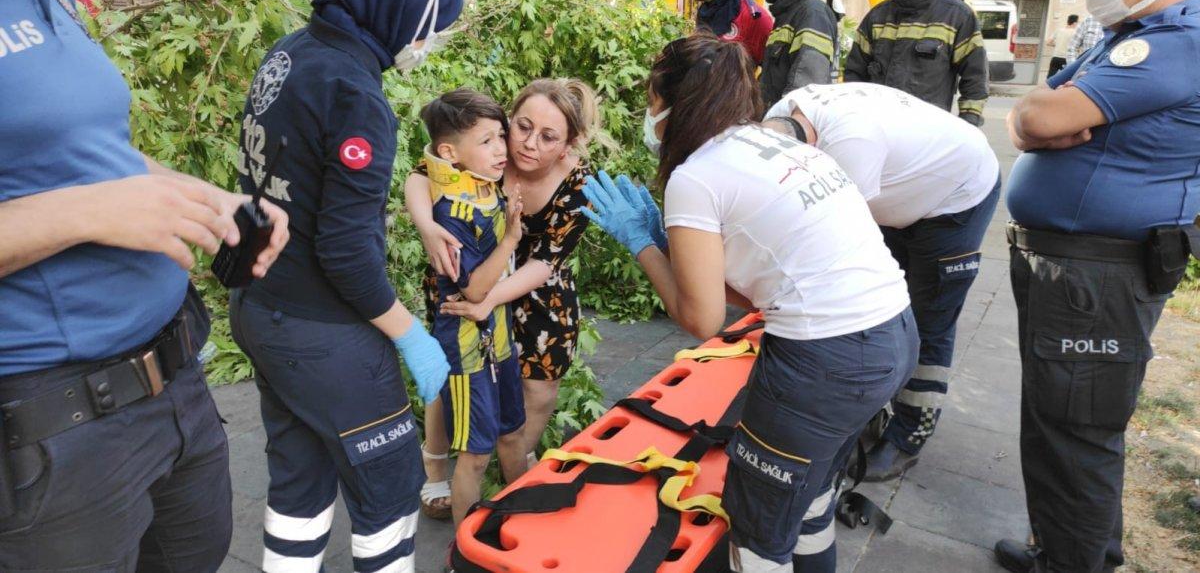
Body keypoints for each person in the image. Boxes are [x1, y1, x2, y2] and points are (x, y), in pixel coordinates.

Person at [0, 0, 290, 570]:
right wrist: (86, 213)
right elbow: (89, 194)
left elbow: (91, 153)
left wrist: (206, 201)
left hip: (173, 384)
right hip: (55, 425)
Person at [582, 34, 918, 572]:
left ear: (674, 103)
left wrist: (642, 243)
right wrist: (672, 248)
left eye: (650, 100)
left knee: (758, 533)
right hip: (893, 335)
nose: (649, 115)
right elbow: (760, 280)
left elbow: (702, 319)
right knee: (808, 500)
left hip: (826, 362)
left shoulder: (696, 177)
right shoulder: (779, 146)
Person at [227, 0, 461, 573]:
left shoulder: (290, 52)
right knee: (387, 495)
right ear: (402, 3)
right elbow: (346, 253)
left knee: (299, 483)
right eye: (431, 21)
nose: (427, 40)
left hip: (260, 305)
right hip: (325, 329)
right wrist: (409, 333)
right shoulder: (357, 95)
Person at [993, 0, 1200, 571]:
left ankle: (1071, 562)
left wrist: (1040, 120)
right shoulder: (1123, 35)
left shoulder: (1175, 44)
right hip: (1077, 269)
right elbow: (1031, 113)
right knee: (1059, 419)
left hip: (1097, 275)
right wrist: (1033, 123)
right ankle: (1074, 551)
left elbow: (1048, 110)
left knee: (1076, 430)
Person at [763, 83, 1001, 480]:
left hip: (956, 197)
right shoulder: (779, 114)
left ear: (812, 151)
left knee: (929, 321)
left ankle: (908, 437)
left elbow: (835, 237)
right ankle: (872, 402)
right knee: (878, 303)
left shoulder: (853, 143)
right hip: (900, 189)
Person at [405, 78, 597, 520]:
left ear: (568, 144)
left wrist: (488, 301)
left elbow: (546, 261)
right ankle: (437, 464)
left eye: (548, 137)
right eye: (522, 127)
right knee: (449, 372)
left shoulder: (577, 185)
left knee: (537, 387)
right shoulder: (486, 147)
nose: (529, 144)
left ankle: (510, 465)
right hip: (466, 277)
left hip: (537, 290)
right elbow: (421, 173)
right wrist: (426, 226)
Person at [416, 88, 529, 528]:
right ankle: (462, 547)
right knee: (477, 455)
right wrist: (511, 240)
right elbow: (477, 291)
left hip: (499, 339)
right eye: (486, 141)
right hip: (464, 350)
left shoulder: (485, 187)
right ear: (450, 152)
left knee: (513, 434)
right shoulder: (452, 212)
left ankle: (523, 522)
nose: (501, 149)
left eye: (501, 136)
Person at [844, 0, 989, 126]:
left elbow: (975, 77)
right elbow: (854, 73)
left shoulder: (958, 17)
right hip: (876, 127)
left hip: (927, 134)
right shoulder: (877, 17)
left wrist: (969, 122)